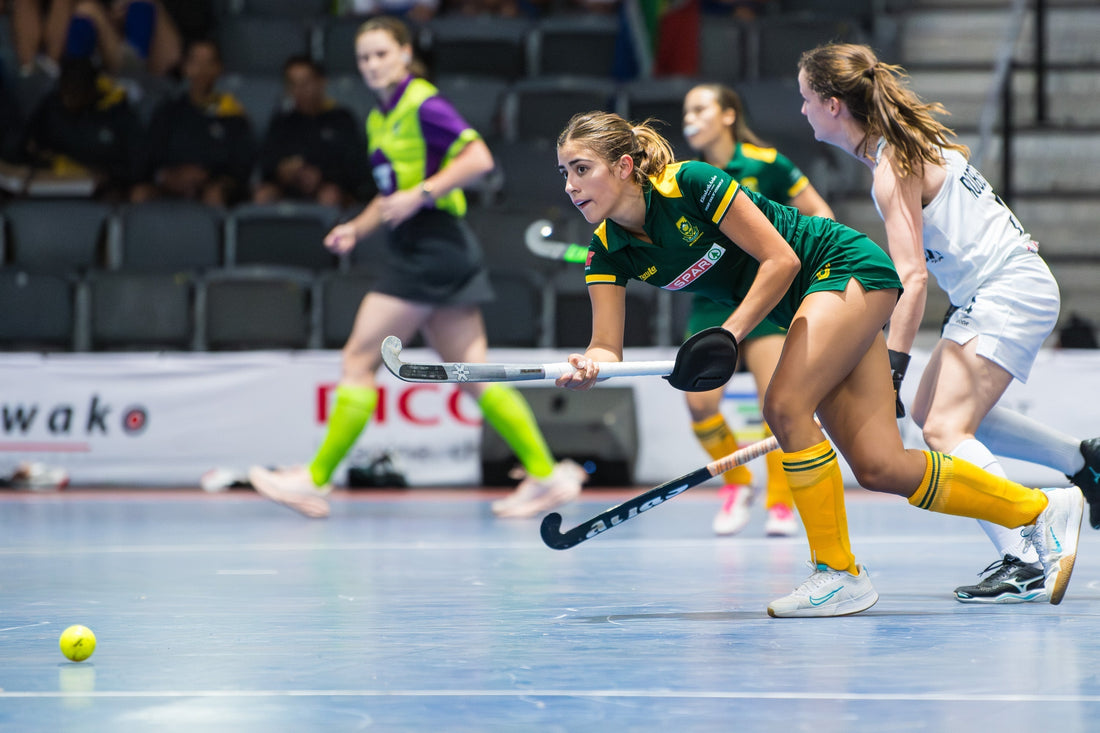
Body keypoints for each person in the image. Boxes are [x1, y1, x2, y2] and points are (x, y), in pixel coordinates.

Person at [553, 110, 1084, 618]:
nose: (572, 186)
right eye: (565, 173)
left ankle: (838, 571)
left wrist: (728, 335)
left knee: (784, 406)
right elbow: (606, 346)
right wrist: (590, 366)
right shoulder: (606, 251)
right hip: (813, 302)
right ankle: (1038, 510)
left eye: (583, 169)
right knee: (879, 466)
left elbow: (781, 259)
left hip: (841, 266)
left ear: (623, 165)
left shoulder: (689, 182)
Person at [796, 42, 1100, 604]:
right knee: (928, 412)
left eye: (807, 99)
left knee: (942, 430)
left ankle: (1028, 548)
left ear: (835, 105)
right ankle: (1084, 462)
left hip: (1006, 291)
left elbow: (910, 279)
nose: (803, 111)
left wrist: (891, 367)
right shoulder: (902, 145)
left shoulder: (892, 168)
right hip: (999, 289)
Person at [247, 16, 585, 520]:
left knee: (359, 359)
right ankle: (546, 475)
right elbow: (389, 198)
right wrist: (356, 229)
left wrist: (423, 193)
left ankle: (315, 481)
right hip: (427, 247)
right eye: (363, 58)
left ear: (405, 54)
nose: (372, 65)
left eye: (382, 54)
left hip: (432, 247)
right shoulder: (378, 118)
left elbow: (479, 157)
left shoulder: (423, 103)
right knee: (475, 373)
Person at [681, 82, 835, 537]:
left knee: (778, 406)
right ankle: (737, 482)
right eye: (685, 110)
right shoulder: (682, 175)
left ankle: (779, 503)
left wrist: (798, 262)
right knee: (698, 404)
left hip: (767, 298)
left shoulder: (767, 164)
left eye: (700, 108)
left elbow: (819, 214)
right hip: (711, 300)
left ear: (728, 114)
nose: (689, 117)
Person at [130, 38, 256, 207]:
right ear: (185, 68)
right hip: (169, 185)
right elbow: (146, 158)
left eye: (208, 63)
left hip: (211, 186)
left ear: (219, 69)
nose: (201, 70)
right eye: (195, 62)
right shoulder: (168, 111)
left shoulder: (232, 114)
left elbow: (241, 166)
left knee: (215, 195)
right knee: (140, 194)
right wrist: (166, 176)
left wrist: (208, 178)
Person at [253, 55, 372, 208]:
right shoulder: (281, 121)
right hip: (287, 188)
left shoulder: (341, 119)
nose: (300, 90)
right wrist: (282, 170)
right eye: (293, 84)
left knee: (329, 196)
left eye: (305, 83)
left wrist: (320, 175)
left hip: (331, 187)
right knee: (262, 195)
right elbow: (266, 163)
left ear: (321, 82)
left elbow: (355, 167)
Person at [20, 55, 145, 201]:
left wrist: (110, 176)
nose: (68, 98)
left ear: (91, 88)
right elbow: (28, 145)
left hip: (101, 194)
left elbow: (138, 167)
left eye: (75, 90)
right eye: (65, 89)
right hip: (51, 187)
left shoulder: (119, 114)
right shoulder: (52, 106)